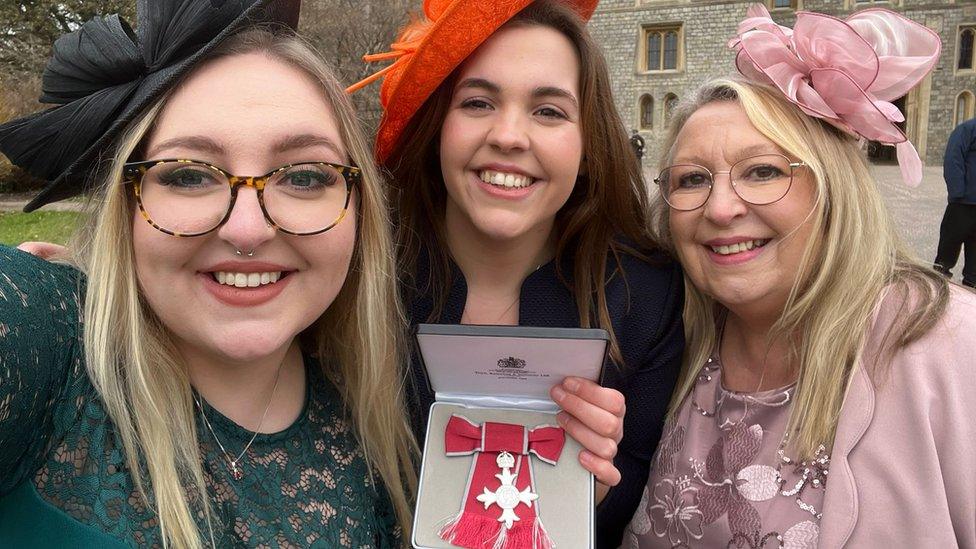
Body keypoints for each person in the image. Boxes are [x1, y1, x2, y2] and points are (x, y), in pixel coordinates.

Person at [0, 1, 414, 547]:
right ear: (126, 206)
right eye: (190, 176)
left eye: (307, 176)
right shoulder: (42, 336)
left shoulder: (376, 429)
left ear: (360, 212)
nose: (248, 229)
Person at [622, 6, 976, 548]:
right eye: (692, 179)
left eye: (762, 171)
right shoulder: (669, 339)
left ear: (832, 189)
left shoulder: (947, 346)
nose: (720, 208)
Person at [349, 1, 684, 545]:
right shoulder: (358, 275)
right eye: (478, 102)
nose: (508, 136)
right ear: (440, 127)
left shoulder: (648, 296)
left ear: (587, 147)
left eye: (548, 111)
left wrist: (593, 489)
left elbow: (637, 489)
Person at [934, 116, 976, 288]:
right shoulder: (967, 129)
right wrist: (958, 192)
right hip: (962, 203)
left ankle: (971, 282)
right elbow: (953, 157)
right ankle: (939, 280)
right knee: (950, 242)